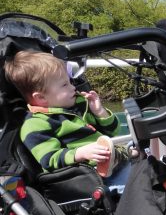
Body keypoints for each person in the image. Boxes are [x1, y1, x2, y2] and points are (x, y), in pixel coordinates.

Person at [4, 50, 131, 191]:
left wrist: (99, 112)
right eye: (65, 85)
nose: (73, 87)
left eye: (70, 81)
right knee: (139, 182)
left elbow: (113, 131)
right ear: (41, 98)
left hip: (114, 158)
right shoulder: (34, 125)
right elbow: (50, 159)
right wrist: (80, 153)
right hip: (91, 177)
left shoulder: (79, 104)